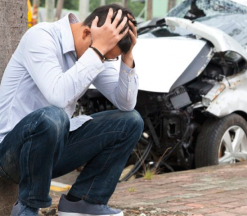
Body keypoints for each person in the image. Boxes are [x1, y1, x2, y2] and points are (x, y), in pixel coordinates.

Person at [0, 3, 143, 216]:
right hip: (12, 154)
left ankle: (84, 202)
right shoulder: (41, 37)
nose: (103, 60)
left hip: (51, 152)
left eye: (107, 57)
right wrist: (97, 52)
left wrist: (127, 56)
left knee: (131, 121)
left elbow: (126, 103)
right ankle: (28, 207)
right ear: (87, 32)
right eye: (104, 55)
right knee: (53, 116)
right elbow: (58, 96)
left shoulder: (93, 50)